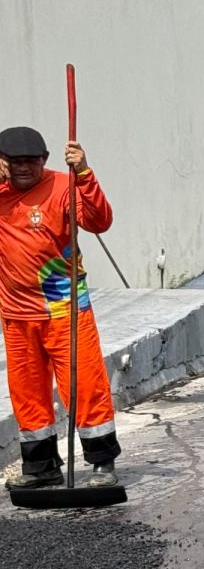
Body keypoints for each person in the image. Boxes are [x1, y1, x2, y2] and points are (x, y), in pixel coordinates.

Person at [0, 128, 121, 489]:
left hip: (66, 311)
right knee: (28, 395)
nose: (24, 168)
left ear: (45, 160)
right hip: (17, 315)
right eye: (15, 161)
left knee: (84, 387)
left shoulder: (63, 186)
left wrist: (83, 173)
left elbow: (99, 222)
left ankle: (102, 464)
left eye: (32, 161)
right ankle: (41, 468)